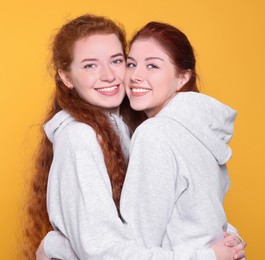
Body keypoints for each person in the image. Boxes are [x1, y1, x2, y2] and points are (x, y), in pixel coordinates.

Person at [25, 14, 245, 260]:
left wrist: (54, 245)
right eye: (90, 65)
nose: (109, 75)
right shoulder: (80, 137)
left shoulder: (148, 131)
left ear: (183, 76)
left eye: (117, 61)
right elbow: (101, 249)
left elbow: (126, 243)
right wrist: (222, 245)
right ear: (66, 77)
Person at [120, 21, 244, 260]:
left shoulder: (154, 134)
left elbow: (135, 247)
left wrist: (58, 245)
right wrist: (230, 237)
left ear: (182, 77)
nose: (135, 75)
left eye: (153, 66)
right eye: (131, 64)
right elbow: (203, 219)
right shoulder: (201, 131)